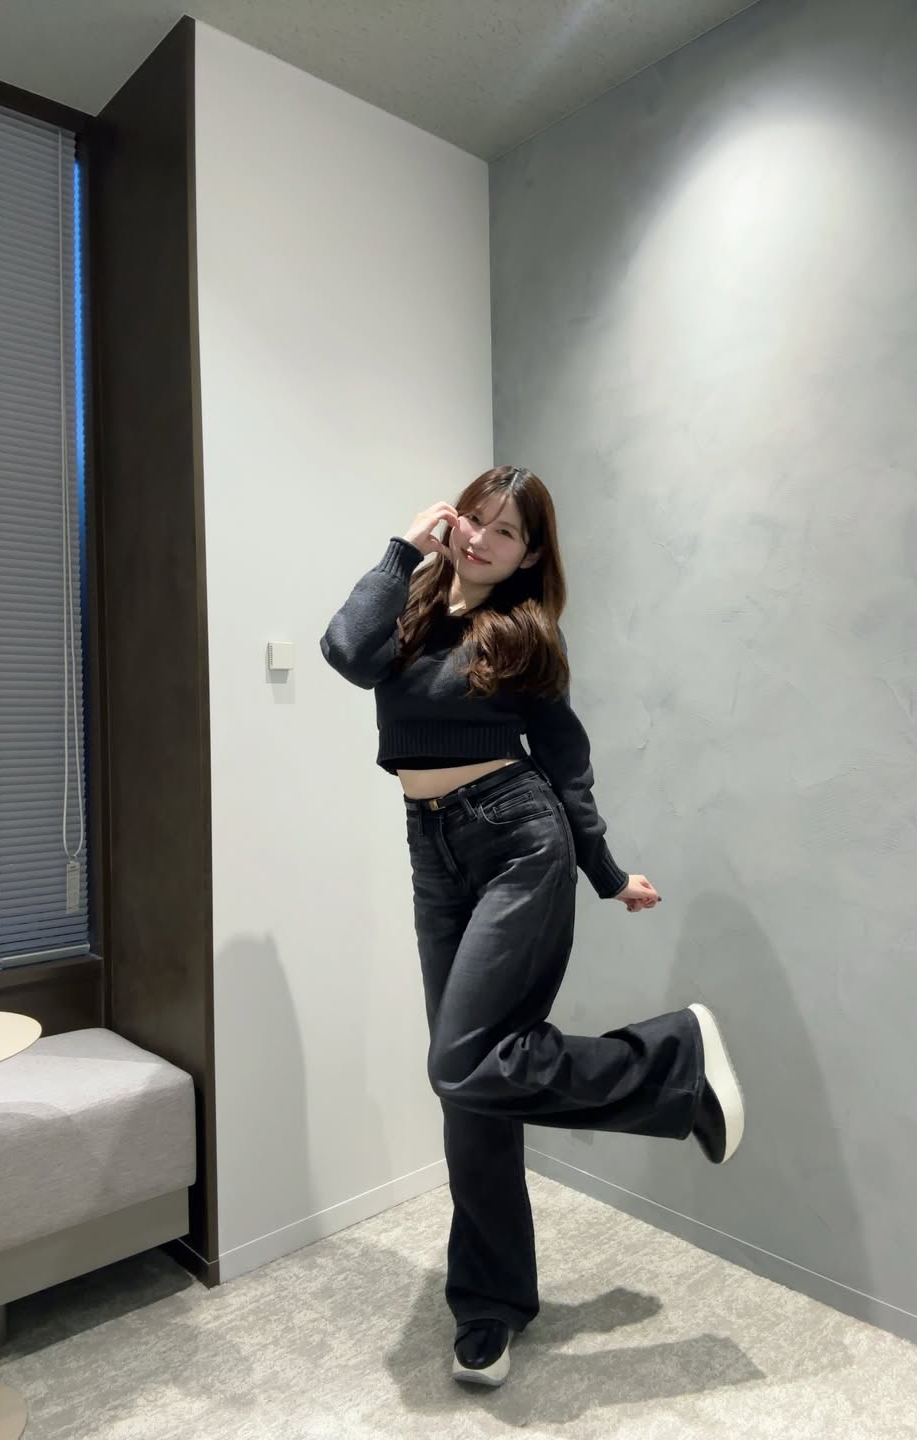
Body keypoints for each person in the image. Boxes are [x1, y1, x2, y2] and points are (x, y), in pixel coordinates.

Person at [321, 464, 744, 1389]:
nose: (480, 538)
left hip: (517, 841)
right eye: (473, 518)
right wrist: (401, 551)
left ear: (528, 556)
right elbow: (346, 653)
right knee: (470, 1088)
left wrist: (604, 872)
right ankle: (490, 1304)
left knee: (460, 1060)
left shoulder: (523, 635)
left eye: (504, 531)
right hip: (432, 852)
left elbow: (564, 761)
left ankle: (672, 1063)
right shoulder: (409, 611)